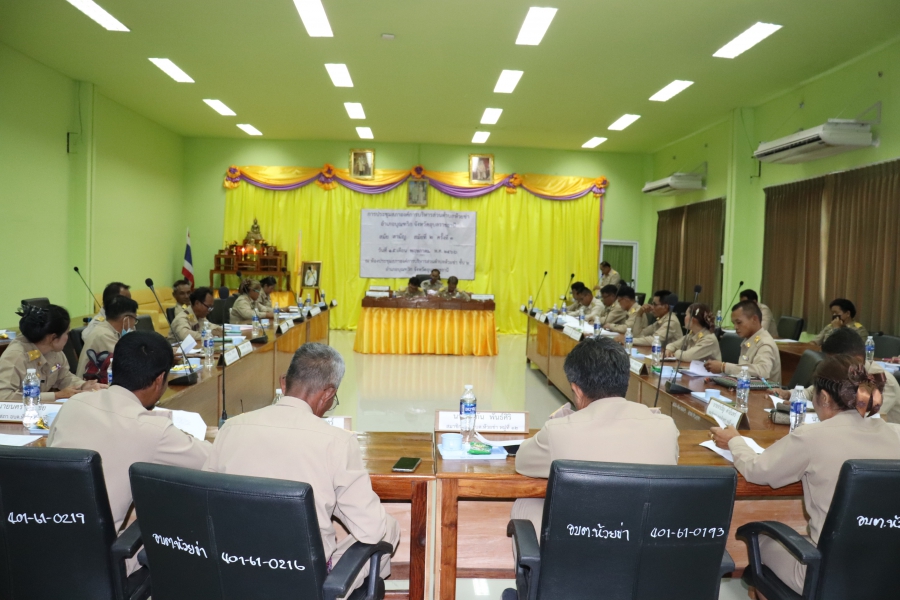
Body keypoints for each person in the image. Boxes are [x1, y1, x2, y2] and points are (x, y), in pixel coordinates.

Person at [204, 343, 399, 594]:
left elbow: (204, 506)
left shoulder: (230, 428)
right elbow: (371, 530)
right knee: (387, 527)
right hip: (301, 580)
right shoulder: (337, 442)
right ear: (328, 393)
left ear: (284, 383)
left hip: (233, 571)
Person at [710, 355, 900, 595]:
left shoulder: (813, 437)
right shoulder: (896, 433)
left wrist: (735, 442)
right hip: (889, 574)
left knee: (760, 538)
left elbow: (757, 471)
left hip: (826, 576)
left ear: (823, 397)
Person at [512, 337, 679, 536]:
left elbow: (521, 462)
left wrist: (558, 419)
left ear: (577, 390)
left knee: (525, 503)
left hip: (581, 542)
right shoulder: (666, 427)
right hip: (644, 541)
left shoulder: (559, 431)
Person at [50, 331, 212, 530]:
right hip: (108, 551)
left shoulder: (74, 404)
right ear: (160, 379)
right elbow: (214, 461)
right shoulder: (155, 431)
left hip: (51, 530)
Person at [774, 328, 900, 423]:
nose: (830, 366)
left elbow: (861, 420)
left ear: (856, 359)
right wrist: (790, 395)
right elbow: (813, 391)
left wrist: (814, 410)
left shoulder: (884, 382)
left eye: (835, 362)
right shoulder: (841, 373)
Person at [0, 304, 103, 402]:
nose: (67, 338)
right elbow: (3, 396)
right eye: (66, 333)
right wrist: (55, 396)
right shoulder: (15, 356)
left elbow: (64, 377)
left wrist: (83, 386)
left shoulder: (54, 351)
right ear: (53, 338)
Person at [704, 301, 782, 382]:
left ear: (754, 319)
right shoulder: (749, 340)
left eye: (739, 322)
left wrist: (724, 367)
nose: (735, 327)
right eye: (734, 323)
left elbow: (762, 371)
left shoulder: (765, 343)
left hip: (764, 392)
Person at [76, 295, 139, 380]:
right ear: (126, 319)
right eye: (135, 319)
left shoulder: (110, 331)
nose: (134, 324)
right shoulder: (104, 335)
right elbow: (126, 362)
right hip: (90, 386)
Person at [619, 290, 683, 347]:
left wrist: (627, 340)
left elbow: (654, 340)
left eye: (655, 304)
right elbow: (637, 335)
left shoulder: (671, 321)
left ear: (665, 307)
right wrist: (639, 314)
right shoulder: (660, 320)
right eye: (652, 304)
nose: (652, 307)